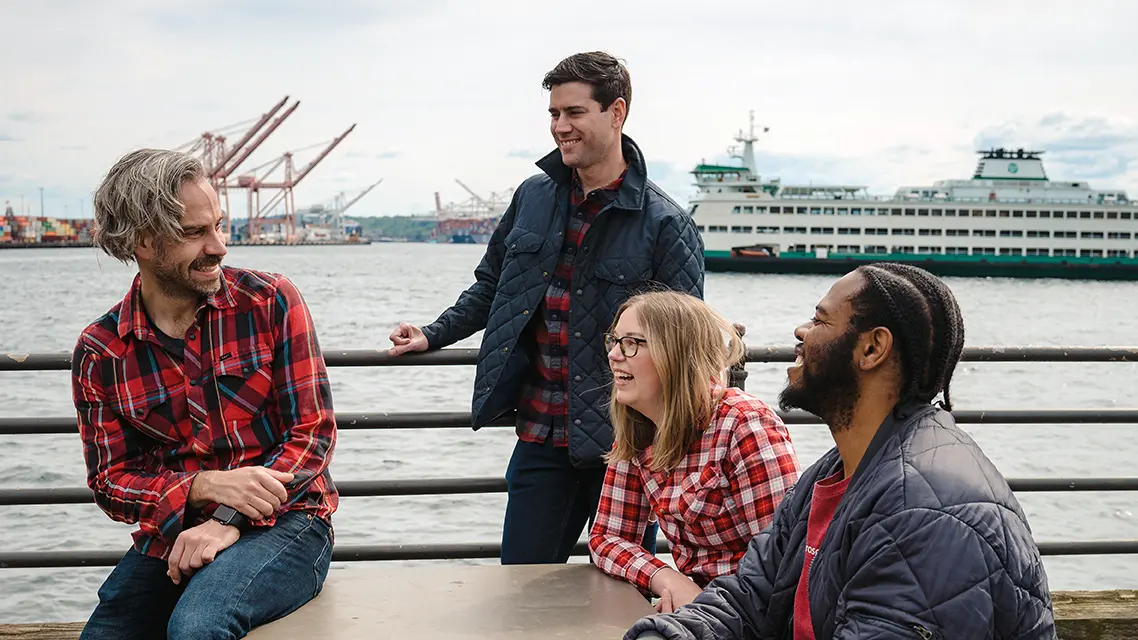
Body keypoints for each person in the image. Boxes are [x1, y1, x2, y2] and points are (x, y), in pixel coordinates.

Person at [388, 51, 704, 564]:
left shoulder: (665, 223)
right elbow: (492, 286)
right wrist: (433, 334)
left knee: (624, 593)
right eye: (554, 114)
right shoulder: (532, 197)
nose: (561, 126)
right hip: (540, 437)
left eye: (574, 112)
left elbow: (688, 345)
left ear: (616, 113)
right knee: (521, 588)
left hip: (628, 447)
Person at [625, 263, 1056, 639]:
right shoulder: (834, 474)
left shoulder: (925, 511)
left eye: (819, 320)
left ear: (872, 349)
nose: (800, 331)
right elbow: (748, 597)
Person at [72, 149, 337, 639]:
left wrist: (228, 518)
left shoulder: (271, 300)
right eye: (195, 233)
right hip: (176, 535)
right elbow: (111, 481)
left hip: (291, 523)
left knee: (199, 627)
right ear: (142, 241)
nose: (218, 246)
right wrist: (203, 489)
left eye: (218, 225)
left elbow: (312, 435)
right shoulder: (101, 350)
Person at [588, 291, 800, 611]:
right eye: (614, 341)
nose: (615, 355)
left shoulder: (744, 426)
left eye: (631, 343)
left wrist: (703, 605)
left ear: (675, 353)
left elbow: (785, 565)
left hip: (753, 612)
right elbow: (606, 537)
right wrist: (667, 579)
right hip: (702, 608)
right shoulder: (640, 430)